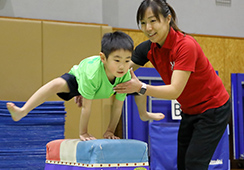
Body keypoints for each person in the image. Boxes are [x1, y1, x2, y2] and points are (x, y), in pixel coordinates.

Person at [113, 0, 231, 170]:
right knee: (183, 164)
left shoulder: (185, 46)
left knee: (194, 164)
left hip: (213, 109)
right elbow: (119, 71)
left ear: (168, 19)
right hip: (189, 110)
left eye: (153, 21)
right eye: (143, 23)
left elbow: (174, 90)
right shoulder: (148, 48)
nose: (148, 28)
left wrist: (141, 88)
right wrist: (85, 88)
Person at [7, 31, 135, 141]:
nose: (122, 66)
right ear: (103, 58)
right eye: (117, 60)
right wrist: (83, 132)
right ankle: (22, 111)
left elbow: (118, 106)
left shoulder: (126, 76)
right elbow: (86, 107)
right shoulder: (92, 74)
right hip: (79, 78)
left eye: (127, 60)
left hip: (101, 87)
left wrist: (110, 131)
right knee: (55, 84)